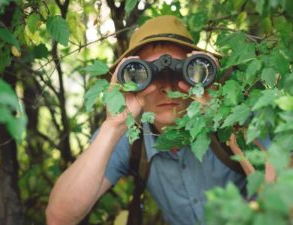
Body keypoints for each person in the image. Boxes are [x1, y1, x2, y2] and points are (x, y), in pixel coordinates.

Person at [46, 15, 259, 225]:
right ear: (129, 82)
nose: (166, 87)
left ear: (201, 73)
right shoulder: (131, 136)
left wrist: (222, 116)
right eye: (147, 75)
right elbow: (59, 218)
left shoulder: (235, 119)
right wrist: (113, 126)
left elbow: (288, 203)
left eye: (183, 72)